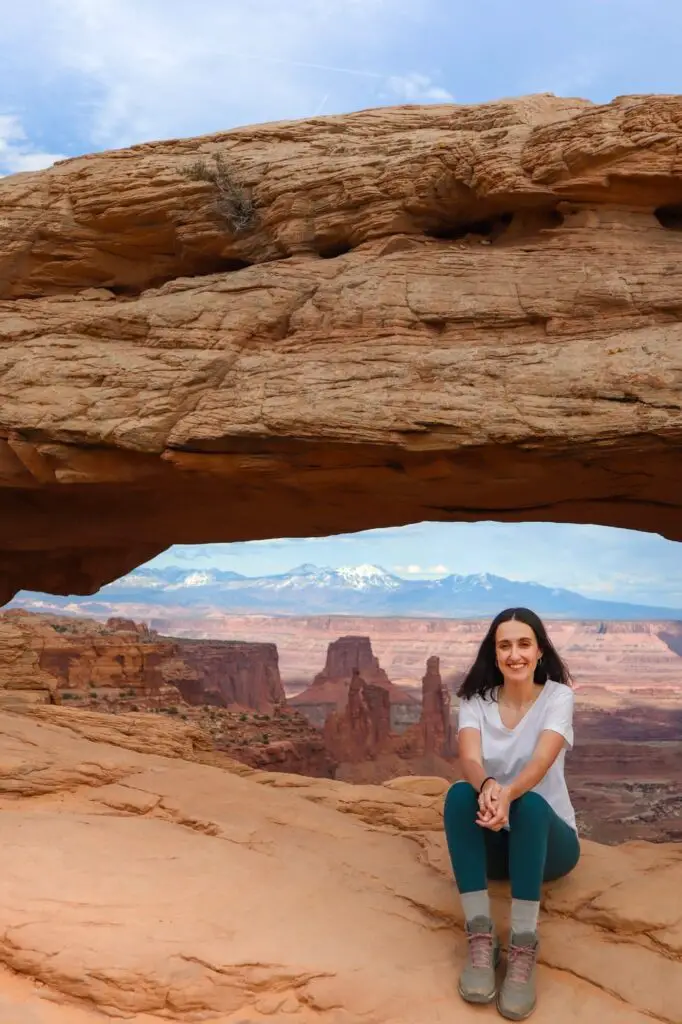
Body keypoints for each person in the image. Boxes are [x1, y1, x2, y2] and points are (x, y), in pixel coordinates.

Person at [443, 607, 580, 1021]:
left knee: (531, 804)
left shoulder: (559, 696)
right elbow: (469, 756)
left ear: (540, 651)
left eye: (524, 644)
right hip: (496, 843)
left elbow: (541, 761)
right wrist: (487, 789)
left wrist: (508, 796)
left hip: (547, 848)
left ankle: (523, 943)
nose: (514, 654)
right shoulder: (474, 700)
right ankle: (482, 936)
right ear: (494, 652)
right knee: (457, 797)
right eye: (505, 645)